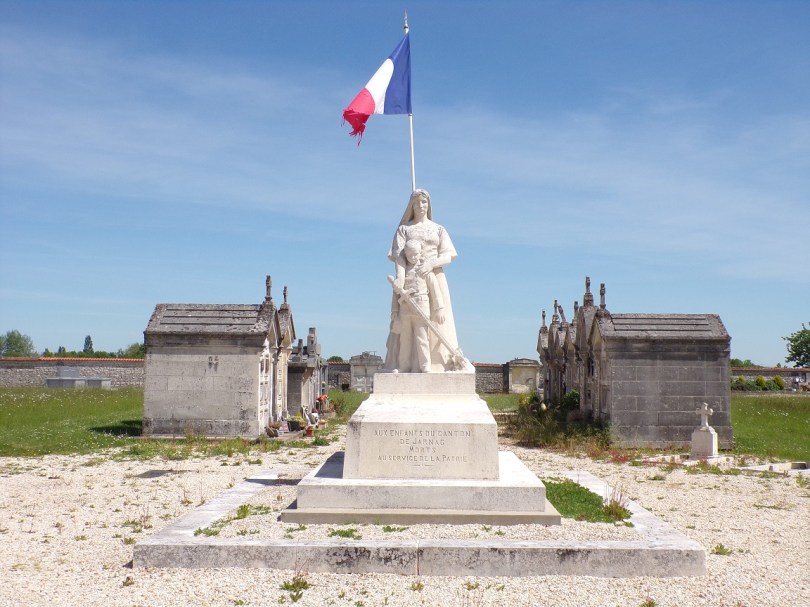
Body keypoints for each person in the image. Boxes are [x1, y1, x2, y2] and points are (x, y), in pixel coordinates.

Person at [384, 189, 466, 373]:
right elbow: (399, 257)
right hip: (408, 279)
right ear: (411, 205)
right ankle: (405, 365)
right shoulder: (404, 229)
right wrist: (401, 277)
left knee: (438, 323)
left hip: (434, 275)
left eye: (424, 202)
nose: (421, 205)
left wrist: (431, 263)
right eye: (417, 202)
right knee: (406, 331)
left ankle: (439, 364)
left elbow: (448, 255)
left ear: (429, 205)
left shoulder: (438, 229)